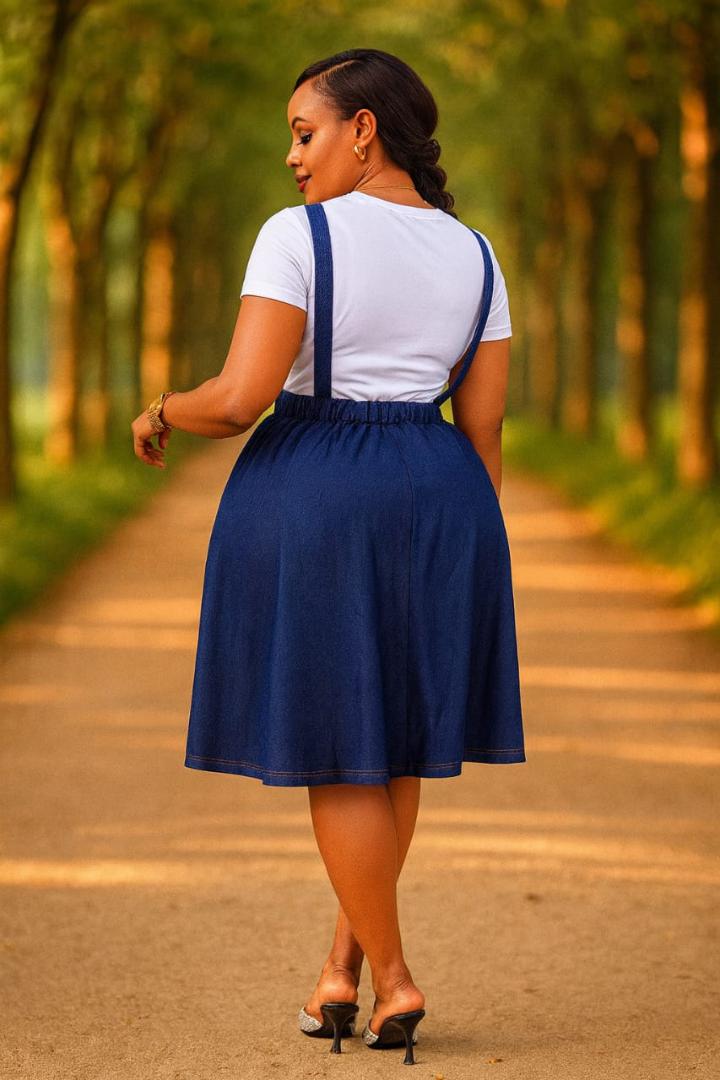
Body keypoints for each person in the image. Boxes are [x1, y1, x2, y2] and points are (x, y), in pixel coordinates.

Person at [131, 47, 526, 1067]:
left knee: (337, 738)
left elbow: (239, 399)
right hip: (444, 492)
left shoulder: (296, 236)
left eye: (304, 133)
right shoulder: (479, 255)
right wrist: (470, 551)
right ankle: (340, 970)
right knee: (393, 738)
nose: (292, 157)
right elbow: (484, 430)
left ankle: (395, 978)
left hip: (322, 488)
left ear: (364, 130)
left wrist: (160, 409)